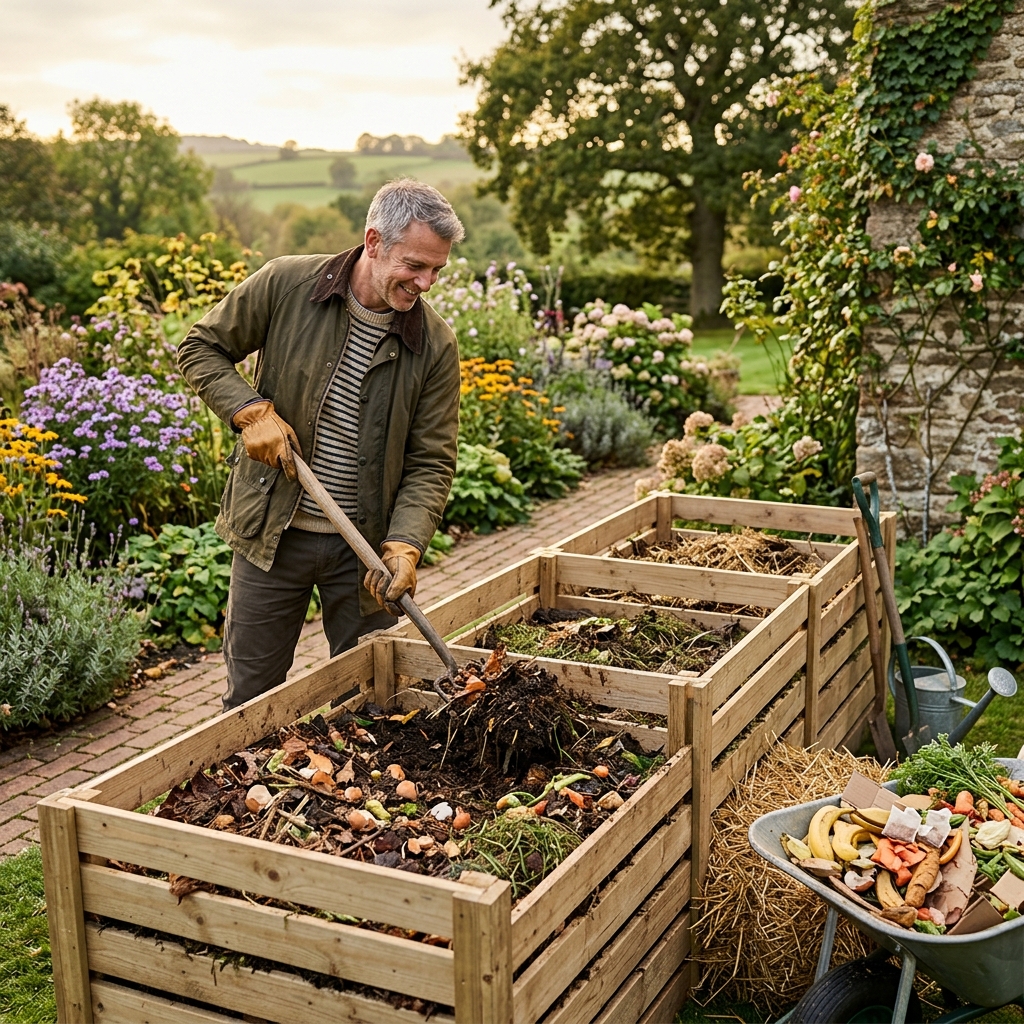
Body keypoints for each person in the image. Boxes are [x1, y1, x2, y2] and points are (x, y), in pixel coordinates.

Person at [178, 178, 464, 709]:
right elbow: (200, 348)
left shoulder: (435, 346)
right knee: (250, 701)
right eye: (415, 265)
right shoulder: (288, 284)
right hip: (273, 535)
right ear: (374, 241)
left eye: (436, 270)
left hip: (365, 552)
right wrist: (248, 412)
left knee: (373, 699)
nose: (426, 282)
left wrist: (405, 544)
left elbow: (430, 460)